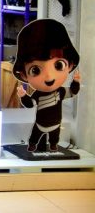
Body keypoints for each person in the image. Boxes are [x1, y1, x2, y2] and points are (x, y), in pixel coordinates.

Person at [13, 19, 81, 152]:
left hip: (56, 124)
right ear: (24, 75)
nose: (49, 77)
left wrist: (76, 82)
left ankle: (53, 145)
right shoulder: (37, 94)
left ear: (70, 65)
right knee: (35, 136)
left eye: (58, 65)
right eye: (35, 70)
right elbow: (30, 103)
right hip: (40, 124)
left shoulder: (61, 92)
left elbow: (73, 92)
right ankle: (33, 144)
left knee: (54, 138)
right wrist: (23, 96)